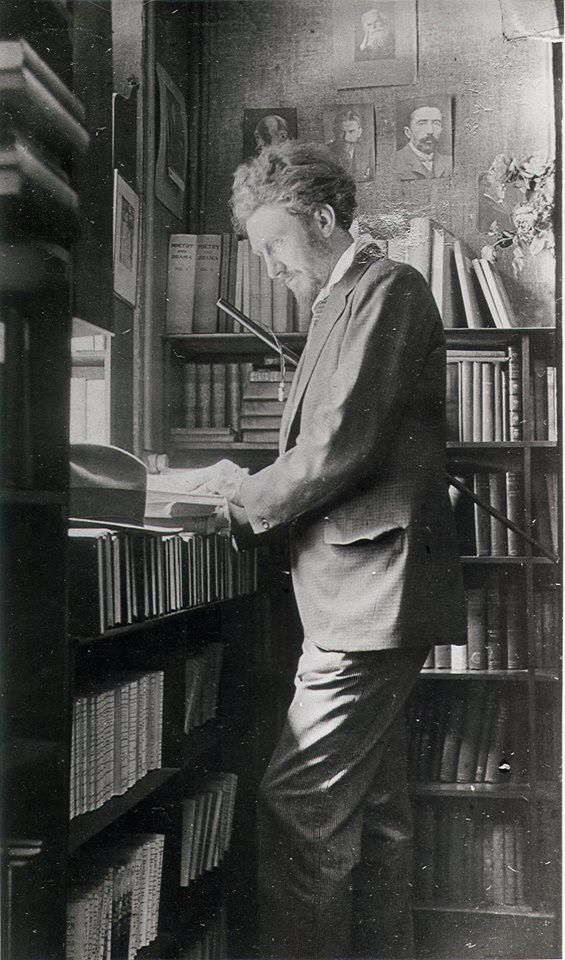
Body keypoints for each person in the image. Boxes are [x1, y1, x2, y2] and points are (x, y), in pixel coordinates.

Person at [185, 142, 466, 959]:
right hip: (354, 590)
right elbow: (329, 445)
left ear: (321, 219)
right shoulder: (341, 304)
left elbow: (340, 443)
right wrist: (252, 481)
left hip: (369, 593)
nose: (271, 268)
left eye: (276, 247)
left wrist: (243, 496)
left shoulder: (386, 289)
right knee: (369, 814)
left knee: (301, 804)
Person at [396, 103, 452, 180]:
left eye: (436, 123)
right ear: (408, 132)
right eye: (422, 123)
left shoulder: (451, 162)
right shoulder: (393, 162)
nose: (430, 131)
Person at [327, 108, 373, 182]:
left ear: (359, 132)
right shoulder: (325, 152)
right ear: (335, 131)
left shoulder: (367, 151)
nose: (346, 138)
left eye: (351, 131)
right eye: (341, 132)